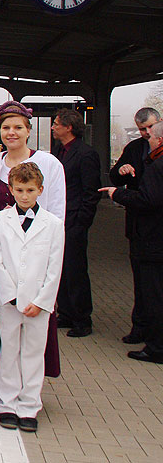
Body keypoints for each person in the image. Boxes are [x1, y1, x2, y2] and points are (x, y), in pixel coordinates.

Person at [0, 100, 64, 377]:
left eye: (18, 127)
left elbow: (57, 213)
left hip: (37, 257)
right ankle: (5, 387)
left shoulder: (48, 163)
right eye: (6, 127)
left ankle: (30, 393)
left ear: (28, 131)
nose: (11, 132)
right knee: (8, 335)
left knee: (33, 340)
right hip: (6, 257)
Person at [0, 162, 64, 433]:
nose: (24, 195)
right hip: (8, 301)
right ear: (10, 189)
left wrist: (43, 300)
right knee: (9, 350)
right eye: (19, 189)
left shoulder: (53, 224)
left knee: (33, 353)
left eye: (30, 190)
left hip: (38, 303)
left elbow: (54, 266)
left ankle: (29, 405)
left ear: (40, 190)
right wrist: (9, 295)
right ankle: (7, 403)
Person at [99, 120, 163, 364]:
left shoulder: (158, 166)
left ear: (158, 139)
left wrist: (118, 194)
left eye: (151, 135)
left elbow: (149, 199)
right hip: (149, 239)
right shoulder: (139, 153)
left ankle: (156, 347)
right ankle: (145, 332)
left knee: (153, 293)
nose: (148, 138)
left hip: (152, 240)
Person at [51, 108, 101, 338]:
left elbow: (91, 192)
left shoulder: (85, 154)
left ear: (68, 127)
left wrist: (82, 222)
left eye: (56, 124)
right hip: (59, 219)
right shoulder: (59, 151)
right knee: (61, 268)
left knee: (76, 270)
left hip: (74, 220)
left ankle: (82, 319)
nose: (52, 127)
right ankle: (67, 313)